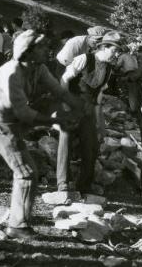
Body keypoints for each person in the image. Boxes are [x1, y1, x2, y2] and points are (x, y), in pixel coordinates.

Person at [0, 30, 82, 239]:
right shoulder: (12, 73)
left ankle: (21, 220)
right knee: (26, 173)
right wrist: (56, 121)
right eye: (42, 48)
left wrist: (79, 108)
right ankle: (17, 226)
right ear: (28, 52)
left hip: (12, 123)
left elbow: (59, 91)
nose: (48, 51)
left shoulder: (38, 68)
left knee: (27, 173)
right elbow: (23, 113)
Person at [59, 31, 123, 194]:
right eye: (114, 51)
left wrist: (100, 122)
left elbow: (99, 97)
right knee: (65, 141)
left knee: (91, 147)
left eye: (118, 52)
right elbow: (64, 79)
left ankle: (84, 186)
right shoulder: (84, 59)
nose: (117, 55)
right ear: (104, 47)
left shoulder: (108, 70)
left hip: (88, 110)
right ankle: (63, 183)